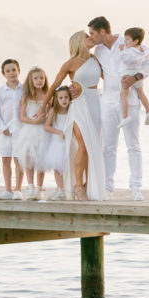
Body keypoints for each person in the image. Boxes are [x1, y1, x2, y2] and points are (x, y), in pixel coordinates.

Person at [87, 16, 149, 201]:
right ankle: (108, 188)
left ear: (102, 32)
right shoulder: (98, 50)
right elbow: (99, 71)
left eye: (93, 33)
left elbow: (148, 62)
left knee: (133, 145)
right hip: (107, 102)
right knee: (108, 147)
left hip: (130, 100)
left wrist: (137, 76)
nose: (91, 37)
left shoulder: (127, 42)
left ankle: (135, 187)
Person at [47, 32, 106, 201]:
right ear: (79, 41)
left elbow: (109, 77)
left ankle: (89, 185)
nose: (91, 38)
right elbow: (55, 85)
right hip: (79, 105)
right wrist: (44, 106)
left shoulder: (95, 60)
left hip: (95, 103)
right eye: (87, 36)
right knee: (83, 145)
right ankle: (78, 187)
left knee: (94, 146)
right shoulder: (70, 63)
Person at [12, 66, 49, 201]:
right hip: (29, 131)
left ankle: (40, 189)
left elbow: (51, 112)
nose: (39, 81)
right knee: (28, 159)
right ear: (31, 80)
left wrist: (45, 118)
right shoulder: (26, 96)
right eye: (36, 78)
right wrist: (35, 122)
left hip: (43, 132)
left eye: (41, 78)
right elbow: (22, 117)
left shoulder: (47, 95)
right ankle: (31, 187)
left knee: (40, 160)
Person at [0, 58, 23, 200]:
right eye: (8, 71)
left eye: (14, 70)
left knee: (19, 161)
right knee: (6, 160)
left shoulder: (24, 90)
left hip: (20, 131)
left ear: (19, 71)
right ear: (3, 74)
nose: (11, 73)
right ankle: (8, 189)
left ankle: (18, 189)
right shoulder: (0, 92)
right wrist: (3, 128)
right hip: (5, 132)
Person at [117, 27, 149, 130]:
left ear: (135, 41)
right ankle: (148, 111)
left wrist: (121, 50)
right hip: (137, 75)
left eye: (127, 39)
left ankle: (125, 117)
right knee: (141, 94)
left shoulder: (130, 51)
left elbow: (126, 60)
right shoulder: (142, 49)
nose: (125, 41)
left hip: (127, 74)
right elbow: (147, 59)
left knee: (124, 96)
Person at [41, 86, 72, 200]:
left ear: (70, 98)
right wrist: (59, 132)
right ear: (56, 99)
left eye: (66, 97)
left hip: (69, 144)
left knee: (68, 168)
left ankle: (67, 189)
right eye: (61, 98)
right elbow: (46, 126)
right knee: (57, 168)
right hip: (57, 144)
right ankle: (60, 190)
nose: (64, 100)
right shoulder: (54, 111)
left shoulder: (72, 110)